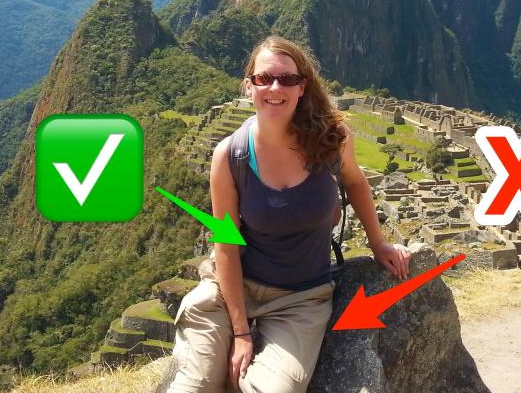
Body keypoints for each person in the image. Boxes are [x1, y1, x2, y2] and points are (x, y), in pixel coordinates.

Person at [167, 36, 411, 393]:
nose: (275, 88)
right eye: (264, 79)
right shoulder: (229, 156)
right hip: (229, 291)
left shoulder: (332, 141)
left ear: (302, 87)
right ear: (249, 85)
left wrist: (379, 244)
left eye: (287, 79)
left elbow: (357, 183)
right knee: (194, 387)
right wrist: (240, 332)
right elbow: (226, 245)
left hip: (300, 299)